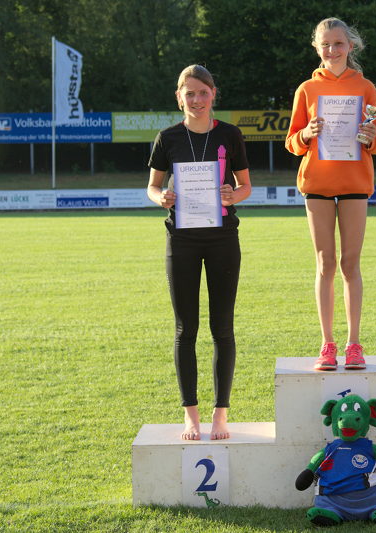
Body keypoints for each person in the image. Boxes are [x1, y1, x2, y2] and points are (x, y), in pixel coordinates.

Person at [147, 65, 251, 440]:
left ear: (213, 94)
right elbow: (153, 187)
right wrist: (163, 198)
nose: (196, 99)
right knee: (184, 329)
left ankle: (220, 413)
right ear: (179, 97)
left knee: (222, 328)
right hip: (182, 240)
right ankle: (190, 414)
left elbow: (245, 186)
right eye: (188, 93)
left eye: (202, 92)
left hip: (223, 238)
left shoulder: (230, 135)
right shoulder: (167, 138)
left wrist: (231, 195)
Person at [285, 17, 376, 372]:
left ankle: (354, 344)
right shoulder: (306, 90)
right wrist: (306, 133)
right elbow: (292, 142)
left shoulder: (366, 88)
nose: (332, 50)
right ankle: (327, 344)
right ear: (317, 48)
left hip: (356, 186)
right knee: (325, 263)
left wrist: (368, 138)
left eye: (339, 43)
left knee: (350, 264)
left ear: (351, 47)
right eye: (326, 44)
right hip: (317, 187)